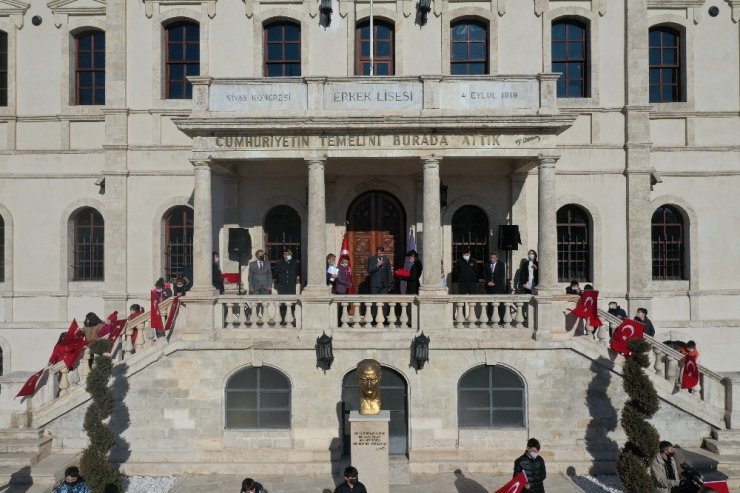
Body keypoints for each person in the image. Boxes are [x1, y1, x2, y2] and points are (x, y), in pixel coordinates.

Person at [485, 252, 507, 323]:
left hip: (498, 287)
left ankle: (501, 319)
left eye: (494, 258)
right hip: (489, 287)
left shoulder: (501, 264)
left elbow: (502, 275)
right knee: (490, 304)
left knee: (500, 304)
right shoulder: (487, 264)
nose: (492, 259)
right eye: (491, 258)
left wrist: (495, 282)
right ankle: (490, 318)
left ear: (497, 258)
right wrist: (488, 282)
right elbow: (484, 274)